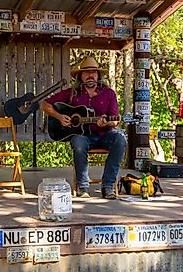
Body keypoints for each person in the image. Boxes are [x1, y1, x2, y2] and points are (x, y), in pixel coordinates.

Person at [40, 56, 127, 199]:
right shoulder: (72, 93)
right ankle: (83, 187)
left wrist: (107, 122)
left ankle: (108, 186)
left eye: (94, 72)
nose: (90, 75)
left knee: (120, 139)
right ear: (81, 76)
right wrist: (60, 117)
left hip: (104, 135)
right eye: (86, 72)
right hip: (83, 136)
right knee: (79, 142)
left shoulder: (109, 93)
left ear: (98, 75)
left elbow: (115, 120)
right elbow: (45, 104)